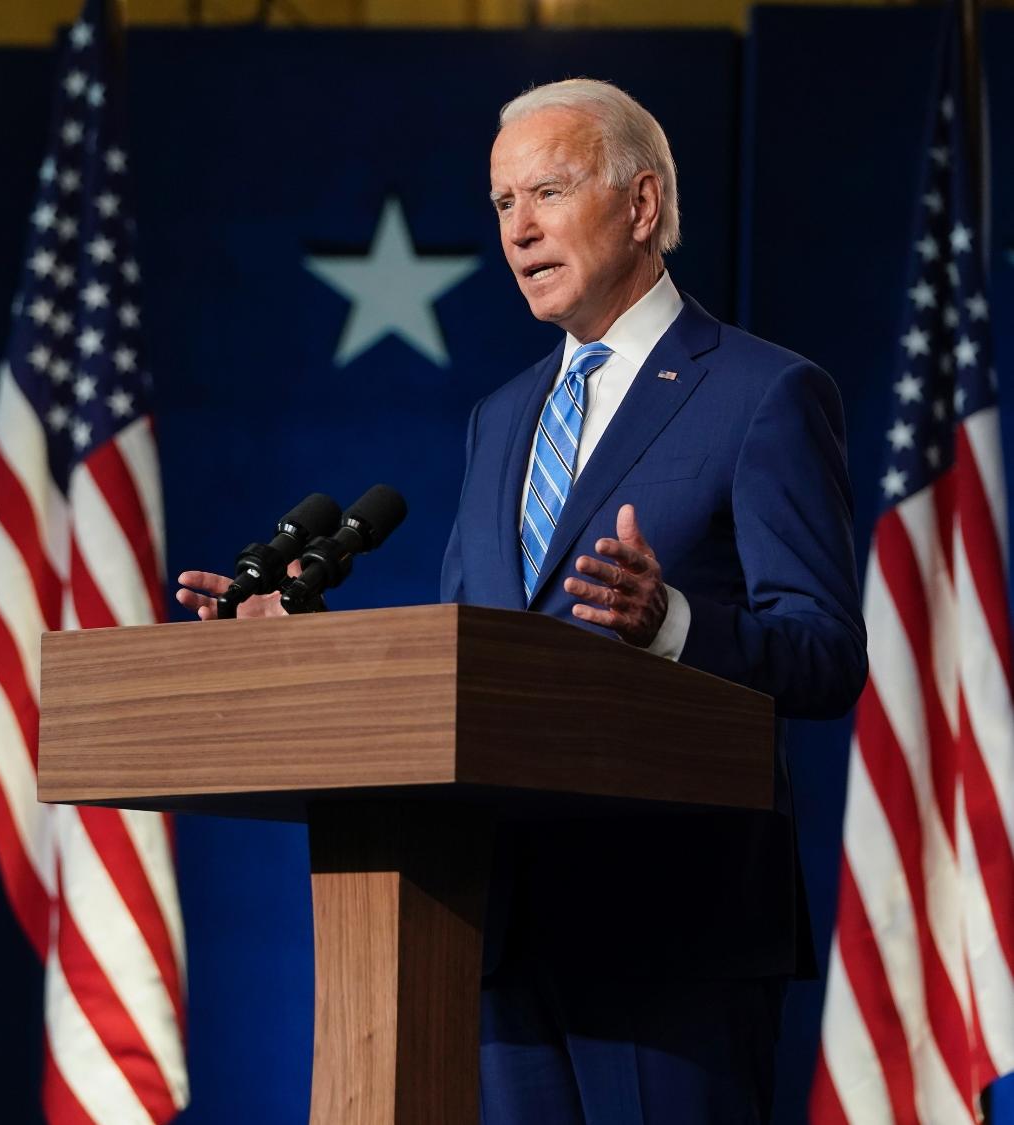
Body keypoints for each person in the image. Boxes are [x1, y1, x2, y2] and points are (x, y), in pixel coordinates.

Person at [178, 79, 867, 1123]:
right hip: (496, 924)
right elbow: (476, 658)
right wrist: (298, 645)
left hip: (671, 937)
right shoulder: (500, 419)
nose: (518, 229)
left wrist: (672, 624)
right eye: (502, 202)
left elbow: (824, 653)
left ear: (641, 204)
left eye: (547, 191)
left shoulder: (762, 393)